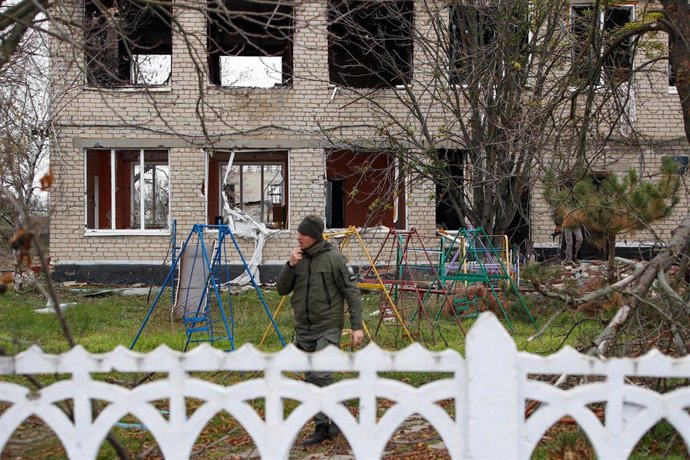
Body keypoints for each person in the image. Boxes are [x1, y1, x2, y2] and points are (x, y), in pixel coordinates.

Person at [276, 215, 364, 446]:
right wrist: (289, 265)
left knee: (322, 374)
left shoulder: (334, 258)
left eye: (302, 234)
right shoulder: (299, 259)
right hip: (303, 328)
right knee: (311, 380)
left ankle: (341, 417)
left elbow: (352, 293)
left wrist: (356, 326)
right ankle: (323, 426)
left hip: (328, 326)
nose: (298, 237)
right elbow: (282, 290)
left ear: (314, 236)